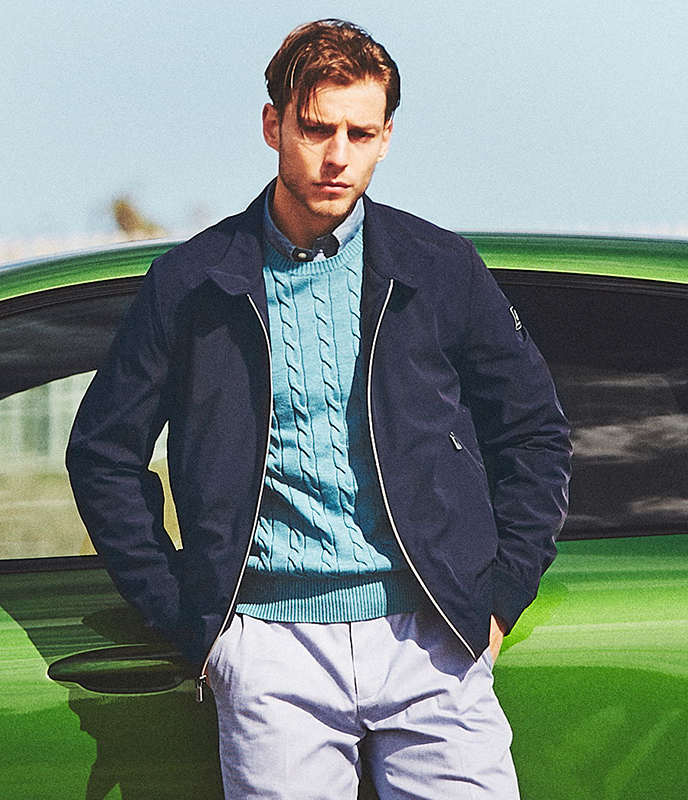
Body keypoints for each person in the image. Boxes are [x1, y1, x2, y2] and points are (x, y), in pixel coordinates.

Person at [66, 18, 570, 800]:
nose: (338, 155)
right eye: (316, 129)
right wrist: (192, 618)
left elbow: (534, 433)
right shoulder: (193, 282)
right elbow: (103, 452)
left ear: (386, 138)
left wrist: (498, 600)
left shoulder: (439, 268)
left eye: (360, 133)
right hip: (271, 651)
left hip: (431, 637)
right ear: (274, 125)